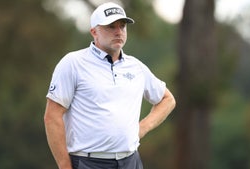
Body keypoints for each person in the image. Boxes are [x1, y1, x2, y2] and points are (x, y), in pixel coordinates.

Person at [44, 2, 176, 169]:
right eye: (111, 27)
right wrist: (65, 166)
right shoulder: (73, 63)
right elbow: (52, 116)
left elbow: (167, 99)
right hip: (89, 162)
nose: (118, 32)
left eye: (122, 26)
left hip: (130, 160)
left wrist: (142, 128)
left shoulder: (136, 67)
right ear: (94, 32)